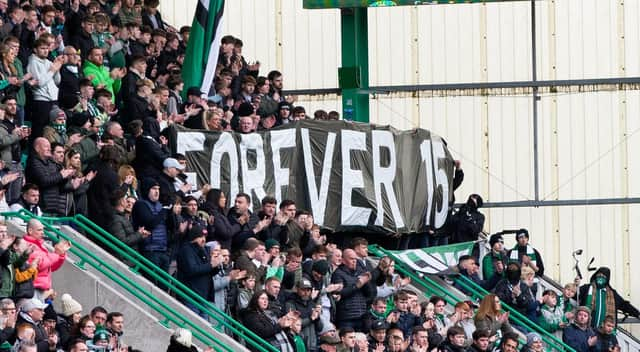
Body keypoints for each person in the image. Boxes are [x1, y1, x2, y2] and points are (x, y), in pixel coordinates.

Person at [176, 224, 221, 318]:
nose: (203, 239)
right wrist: (211, 265)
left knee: (203, 328)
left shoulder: (204, 250)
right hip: (190, 296)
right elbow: (192, 270)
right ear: (194, 236)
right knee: (194, 326)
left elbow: (208, 271)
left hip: (202, 297)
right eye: (200, 236)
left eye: (205, 236)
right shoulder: (186, 250)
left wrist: (217, 265)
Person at [22, 219, 70, 300]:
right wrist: (56, 254)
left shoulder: (41, 245)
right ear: (30, 231)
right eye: (39, 230)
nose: (43, 232)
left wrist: (61, 255)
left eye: (43, 229)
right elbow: (41, 265)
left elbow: (51, 267)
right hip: (34, 289)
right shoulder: (27, 245)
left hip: (43, 289)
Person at [330, 248, 372, 332]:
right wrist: (357, 285)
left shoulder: (360, 271)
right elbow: (339, 293)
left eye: (355, 259)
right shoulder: (338, 273)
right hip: (346, 317)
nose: (354, 261)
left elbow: (369, 294)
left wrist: (366, 282)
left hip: (361, 315)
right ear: (343, 261)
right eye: (351, 259)